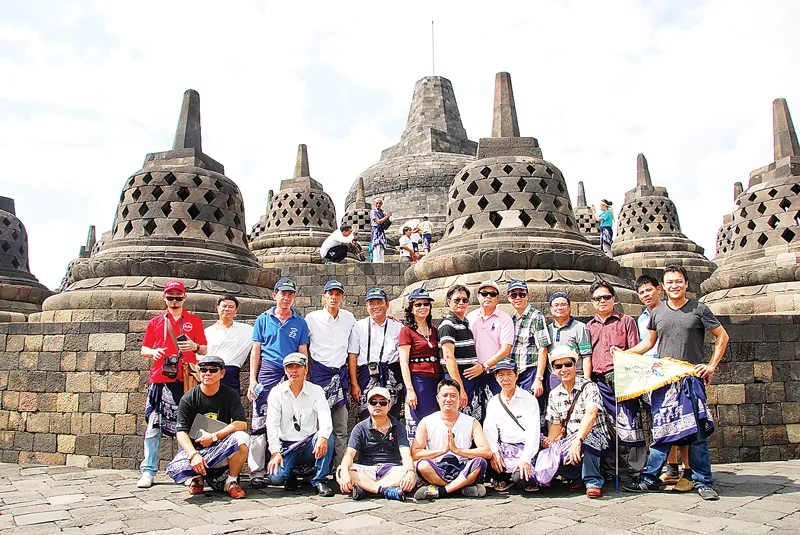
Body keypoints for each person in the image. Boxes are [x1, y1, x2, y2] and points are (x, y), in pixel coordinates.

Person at [624, 265, 729, 501]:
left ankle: (703, 481)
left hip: (690, 379)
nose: (674, 285)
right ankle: (651, 479)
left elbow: (722, 336)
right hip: (665, 380)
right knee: (661, 431)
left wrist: (711, 365)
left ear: (685, 284)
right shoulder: (658, 313)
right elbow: (648, 344)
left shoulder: (699, 309)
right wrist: (624, 354)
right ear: (665, 285)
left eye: (678, 281)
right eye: (670, 282)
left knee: (697, 433)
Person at [137, 280, 208, 489]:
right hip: (161, 377)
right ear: (164, 298)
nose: (174, 301)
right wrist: (154, 352)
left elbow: (203, 349)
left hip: (185, 378)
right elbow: (144, 349)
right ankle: (148, 470)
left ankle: (183, 469)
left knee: (185, 427)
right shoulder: (156, 322)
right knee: (153, 427)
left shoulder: (193, 321)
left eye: (178, 297)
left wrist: (194, 346)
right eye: (170, 297)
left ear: (184, 298)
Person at [247, 277, 310, 488]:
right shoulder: (262, 320)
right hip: (269, 370)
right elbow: (256, 351)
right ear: (274, 296)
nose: (286, 298)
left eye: (290, 294)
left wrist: (304, 377)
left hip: (292, 370)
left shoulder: (300, 323)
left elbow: (303, 352)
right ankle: (256, 470)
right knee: (259, 420)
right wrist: (252, 379)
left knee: (292, 415)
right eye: (283, 293)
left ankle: (290, 466)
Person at [586, 280, 646, 483]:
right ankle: (613, 468)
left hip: (621, 376)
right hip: (598, 380)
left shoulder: (626, 321)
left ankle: (637, 469)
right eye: (597, 298)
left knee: (631, 421)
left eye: (605, 297)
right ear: (592, 302)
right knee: (606, 425)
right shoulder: (589, 326)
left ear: (613, 299)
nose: (602, 301)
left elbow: (636, 350)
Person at [635, 273, 690, 489]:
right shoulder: (642, 319)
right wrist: (625, 354)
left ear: (659, 289)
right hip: (651, 376)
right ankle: (672, 468)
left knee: (684, 424)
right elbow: (645, 345)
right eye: (641, 292)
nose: (646, 295)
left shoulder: (673, 311)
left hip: (674, 373)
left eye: (649, 290)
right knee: (660, 422)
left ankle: (689, 471)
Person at [166, 356, 249, 498]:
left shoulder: (230, 395)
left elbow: (241, 423)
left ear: (222, 373)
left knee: (242, 438)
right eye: (203, 370)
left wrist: (214, 436)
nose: (207, 373)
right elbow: (181, 432)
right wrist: (194, 455)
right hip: (197, 451)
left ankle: (231, 481)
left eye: (213, 370)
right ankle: (196, 477)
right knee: (177, 469)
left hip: (219, 448)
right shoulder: (188, 398)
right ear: (199, 373)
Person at [543, 346, 610, 498]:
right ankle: (578, 475)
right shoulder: (554, 394)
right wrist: (551, 444)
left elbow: (591, 415)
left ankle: (593, 481)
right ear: (553, 369)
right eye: (558, 366)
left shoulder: (589, 387)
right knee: (550, 459)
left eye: (568, 364)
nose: (563, 369)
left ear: (575, 365)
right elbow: (556, 424)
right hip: (571, 441)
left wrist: (577, 441)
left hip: (594, 439)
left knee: (588, 436)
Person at [266, 352, 335, 496]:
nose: (294, 370)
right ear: (285, 370)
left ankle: (320, 480)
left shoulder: (316, 390)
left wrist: (322, 437)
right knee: (275, 477)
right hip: (287, 446)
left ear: (306, 369)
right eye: (290, 367)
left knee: (328, 436)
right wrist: (275, 452)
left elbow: (325, 417)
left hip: (309, 444)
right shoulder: (276, 392)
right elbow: (271, 424)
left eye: (298, 367)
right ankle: (290, 476)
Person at [305, 280, 358, 468]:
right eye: (330, 294)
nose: (334, 297)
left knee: (341, 427)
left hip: (340, 374)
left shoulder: (349, 318)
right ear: (324, 297)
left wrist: (354, 383)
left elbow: (353, 350)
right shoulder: (311, 318)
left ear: (342, 298)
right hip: (319, 375)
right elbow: (302, 346)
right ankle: (318, 468)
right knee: (317, 426)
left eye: (337, 294)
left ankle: (339, 468)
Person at [411, 379, 492, 500]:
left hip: (462, 467)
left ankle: (442, 490)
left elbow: (486, 451)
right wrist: (442, 451)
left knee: (480, 463)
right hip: (437, 467)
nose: (448, 399)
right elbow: (415, 453)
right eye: (445, 396)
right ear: (438, 398)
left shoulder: (471, 422)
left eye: (453, 396)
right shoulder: (426, 421)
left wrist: (458, 451)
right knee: (422, 465)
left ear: (460, 398)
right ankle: (460, 487)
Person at [337, 387, 416, 501]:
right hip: (367, 469)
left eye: (383, 403)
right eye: (373, 402)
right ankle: (385, 491)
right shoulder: (360, 428)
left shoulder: (398, 426)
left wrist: (410, 472)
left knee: (410, 472)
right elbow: (349, 454)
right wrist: (344, 471)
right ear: (367, 405)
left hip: (391, 469)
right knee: (341, 470)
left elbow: (405, 453)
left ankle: (366, 489)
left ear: (389, 406)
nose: (378, 405)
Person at [483, 357, 541, 492]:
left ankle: (513, 476)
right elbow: (489, 431)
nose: (505, 379)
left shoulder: (529, 400)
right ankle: (503, 476)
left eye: (509, 374)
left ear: (516, 376)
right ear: (496, 378)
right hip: (504, 449)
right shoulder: (493, 402)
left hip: (524, 448)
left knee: (521, 478)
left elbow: (533, 433)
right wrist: (494, 452)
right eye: (501, 375)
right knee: (484, 461)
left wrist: (525, 458)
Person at [349, 288, 404, 420]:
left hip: (391, 374)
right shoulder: (359, 326)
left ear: (387, 304)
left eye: (380, 302)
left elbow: (403, 357)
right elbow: (352, 356)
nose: (376, 306)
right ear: (367, 306)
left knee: (392, 415)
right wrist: (354, 384)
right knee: (367, 414)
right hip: (367, 374)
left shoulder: (398, 327)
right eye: (371, 303)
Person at [465, 280, 514, 421]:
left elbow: (505, 350)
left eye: (492, 294)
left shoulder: (504, 319)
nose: (488, 297)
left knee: (496, 412)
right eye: (484, 293)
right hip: (472, 373)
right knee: (473, 411)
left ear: (498, 298)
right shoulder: (470, 317)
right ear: (478, 296)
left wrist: (484, 366)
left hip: (494, 372)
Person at [506, 280, 551, 427]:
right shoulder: (510, 319)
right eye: (514, 295)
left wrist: (539, 378)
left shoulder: (536, 316)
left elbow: (543, 348)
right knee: (516, 411)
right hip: (514, 373)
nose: (517, 298)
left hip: (530, 371)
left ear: (528, 296)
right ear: (508, 298)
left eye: (521, 294)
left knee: (532, 412)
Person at [399, 288, 441, 438]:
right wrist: (410, 389)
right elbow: (403, 362)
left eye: (426, 304)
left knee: (436, 419)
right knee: (420, 420)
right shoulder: (406, 331)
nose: (422, 307)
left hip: (436, 380)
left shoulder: (434, 330)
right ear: (411, 308)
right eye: (418, 304)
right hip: (418, 381)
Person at [438, 284, 482, 418]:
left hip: (470, 379)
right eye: (457, 300)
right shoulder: (448, 325)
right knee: (458, 418)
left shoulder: (465, 322)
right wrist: (460, 388)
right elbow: (448, 357)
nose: (461, 303)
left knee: (471, 418)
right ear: (449, 301)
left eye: (465, 300)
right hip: (457, 380)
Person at [204, 296, 253, 394]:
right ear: (218, 308)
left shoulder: (248, 330)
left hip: (231, 371)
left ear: (236, 310)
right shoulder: (207, 331)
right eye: (224, 306)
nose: (227, 309)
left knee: (231, 405)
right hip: (210, 371)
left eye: (231, 307)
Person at [546, 292, 592, 385]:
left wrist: (587, 380)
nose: (560, 308)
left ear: (570, 307)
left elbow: (586, 356)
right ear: (551, 308)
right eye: (556, 305)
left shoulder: (580, 327)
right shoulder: (547, 329)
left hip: (576, 376)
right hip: (554, 376)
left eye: (563, 304)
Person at [370, 198, 391, 264]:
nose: (378, 204)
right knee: (377, 247)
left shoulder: (382, 212)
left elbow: (385, 224)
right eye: (377, 203)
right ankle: (376, 263)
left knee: (382, 247)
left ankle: (381, 263)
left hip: (381, 231)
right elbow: (378, 221)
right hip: (376, 230)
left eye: (379, 203)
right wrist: (386, 217)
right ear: (375, 204)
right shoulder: (373, 212)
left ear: (381, 204)